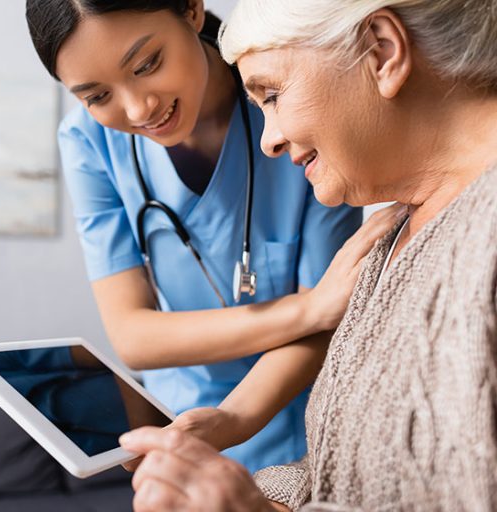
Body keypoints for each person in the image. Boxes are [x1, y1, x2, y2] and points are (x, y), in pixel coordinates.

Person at [120, 0, 497, 510]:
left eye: (272, 94)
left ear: (381, 52)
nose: (269, 141)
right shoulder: (393, 232)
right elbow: (340, 475)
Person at [25, 0, 392, 474]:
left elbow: (326, 325)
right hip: (176, 433)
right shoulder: (87, 142)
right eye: (97, 97)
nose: (138, 108)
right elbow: (134, 338)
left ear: (192, 10)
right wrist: (307, 308)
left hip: (300, 433)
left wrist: (232, 420)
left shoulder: (288, 103)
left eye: (146, 64)